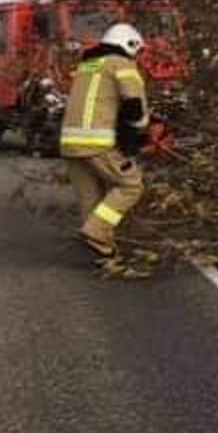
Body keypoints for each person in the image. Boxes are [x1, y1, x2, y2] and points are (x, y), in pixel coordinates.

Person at [59, 23, 149, 259]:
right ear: (129, 45)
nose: (137, 56)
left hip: (70, 143)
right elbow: (134, 106)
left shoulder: (87, 65)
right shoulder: (121, 64)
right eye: (137, 51)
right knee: (131, 185)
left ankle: (104, 253)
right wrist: (138, 133)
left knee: (91, 199)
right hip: (97, 142)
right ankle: (96, 231)